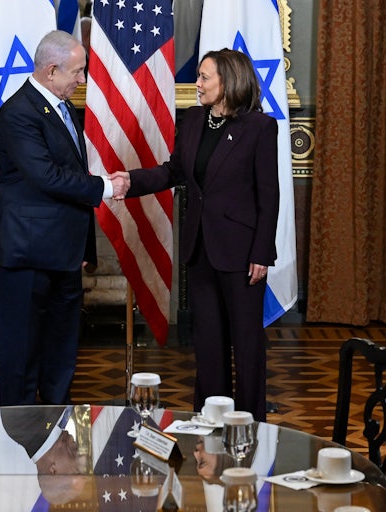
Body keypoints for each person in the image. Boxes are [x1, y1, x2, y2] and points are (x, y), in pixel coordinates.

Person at [120, 49, 280, 422]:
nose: (198, 83)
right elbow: (174, 171)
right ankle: (211, 419)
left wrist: (262, 252)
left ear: (229, 82)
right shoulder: (193, 120)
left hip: (242, 253)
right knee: (208, 343)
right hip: (201, 247)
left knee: (246, 343)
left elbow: (268, 196)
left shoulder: (258, 128)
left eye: (205, 77)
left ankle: (250, 423)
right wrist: (130, 181)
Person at [0, 30, 129, 406]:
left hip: (63, 256)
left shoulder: (61, 107)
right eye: (77, 72)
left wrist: (83, 248)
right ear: (52, 71)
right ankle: (17, 443)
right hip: (26, 258)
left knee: (61, 353)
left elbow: (67, 180)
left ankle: (56, 432)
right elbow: (47, 177)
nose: (82, 80)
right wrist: (104, 187)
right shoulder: (19, 112)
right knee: (21, 359)